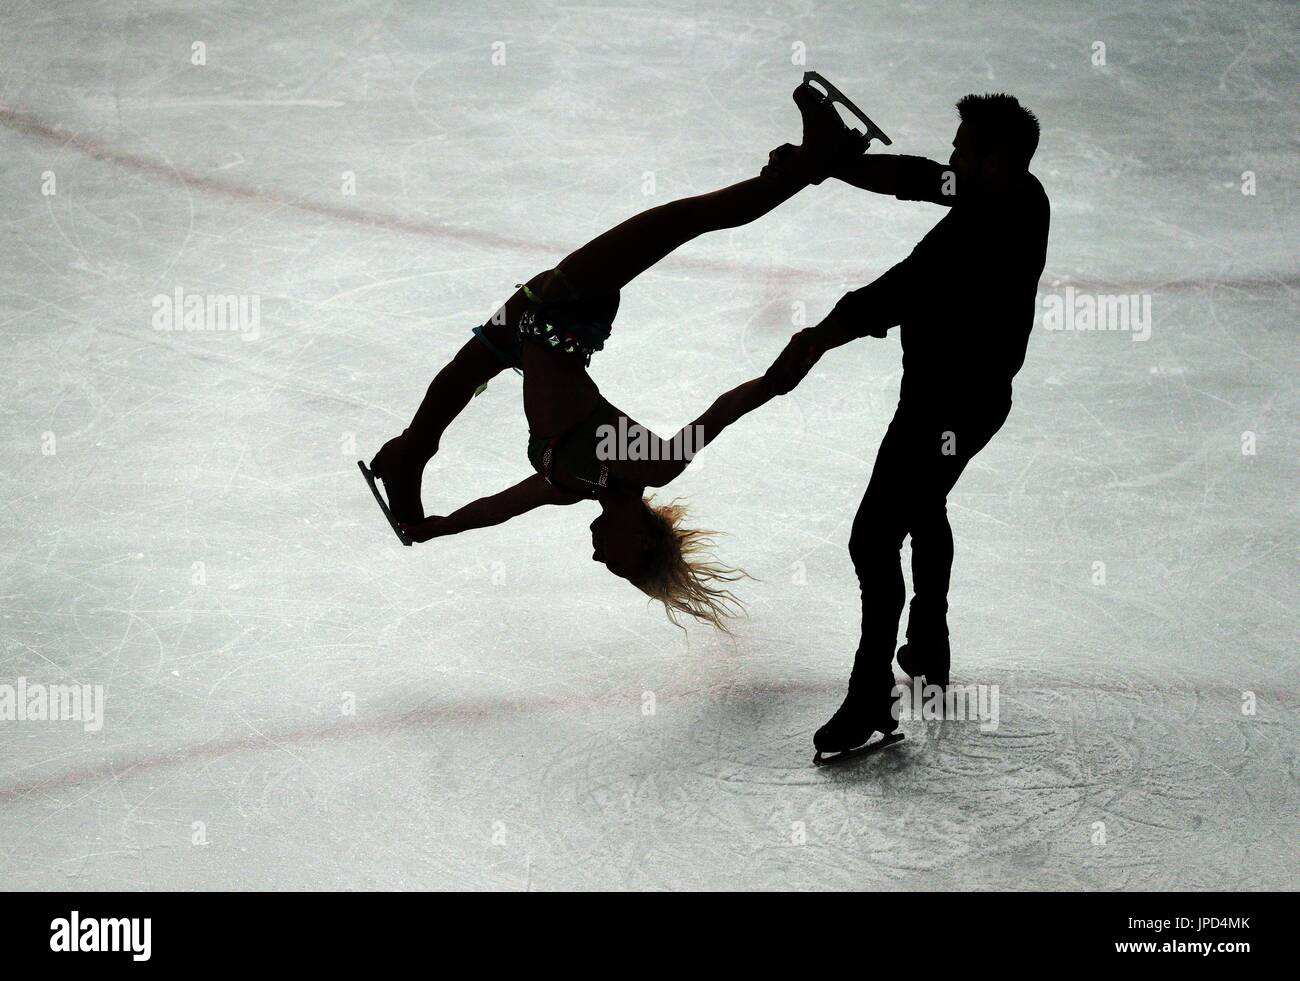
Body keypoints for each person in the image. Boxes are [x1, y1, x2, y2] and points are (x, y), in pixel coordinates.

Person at [365, 83, 867, 630]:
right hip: (567, 312)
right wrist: (775, 381)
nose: (601, 560)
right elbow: (718, 415)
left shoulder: (571, 487)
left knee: (460, 378)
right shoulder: (650, 464)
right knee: (688, 219)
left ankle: (410, 453)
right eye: (622, 567)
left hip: (529, 330)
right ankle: (818, 157)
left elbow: (501, 507)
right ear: (646, 537)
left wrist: (444, 527)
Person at [766, 93, 1050, 756]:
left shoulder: (984, 230)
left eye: (961, 148)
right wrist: (833, 166)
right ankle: (928, 641)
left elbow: (901, 286)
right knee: (925, 500)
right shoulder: (1017, 191)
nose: (950, 156)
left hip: (943, 409)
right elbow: (919, 177)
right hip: (970, 400)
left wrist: (817, 337)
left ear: (990, 162)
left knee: (872, 538)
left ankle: (870, 696)